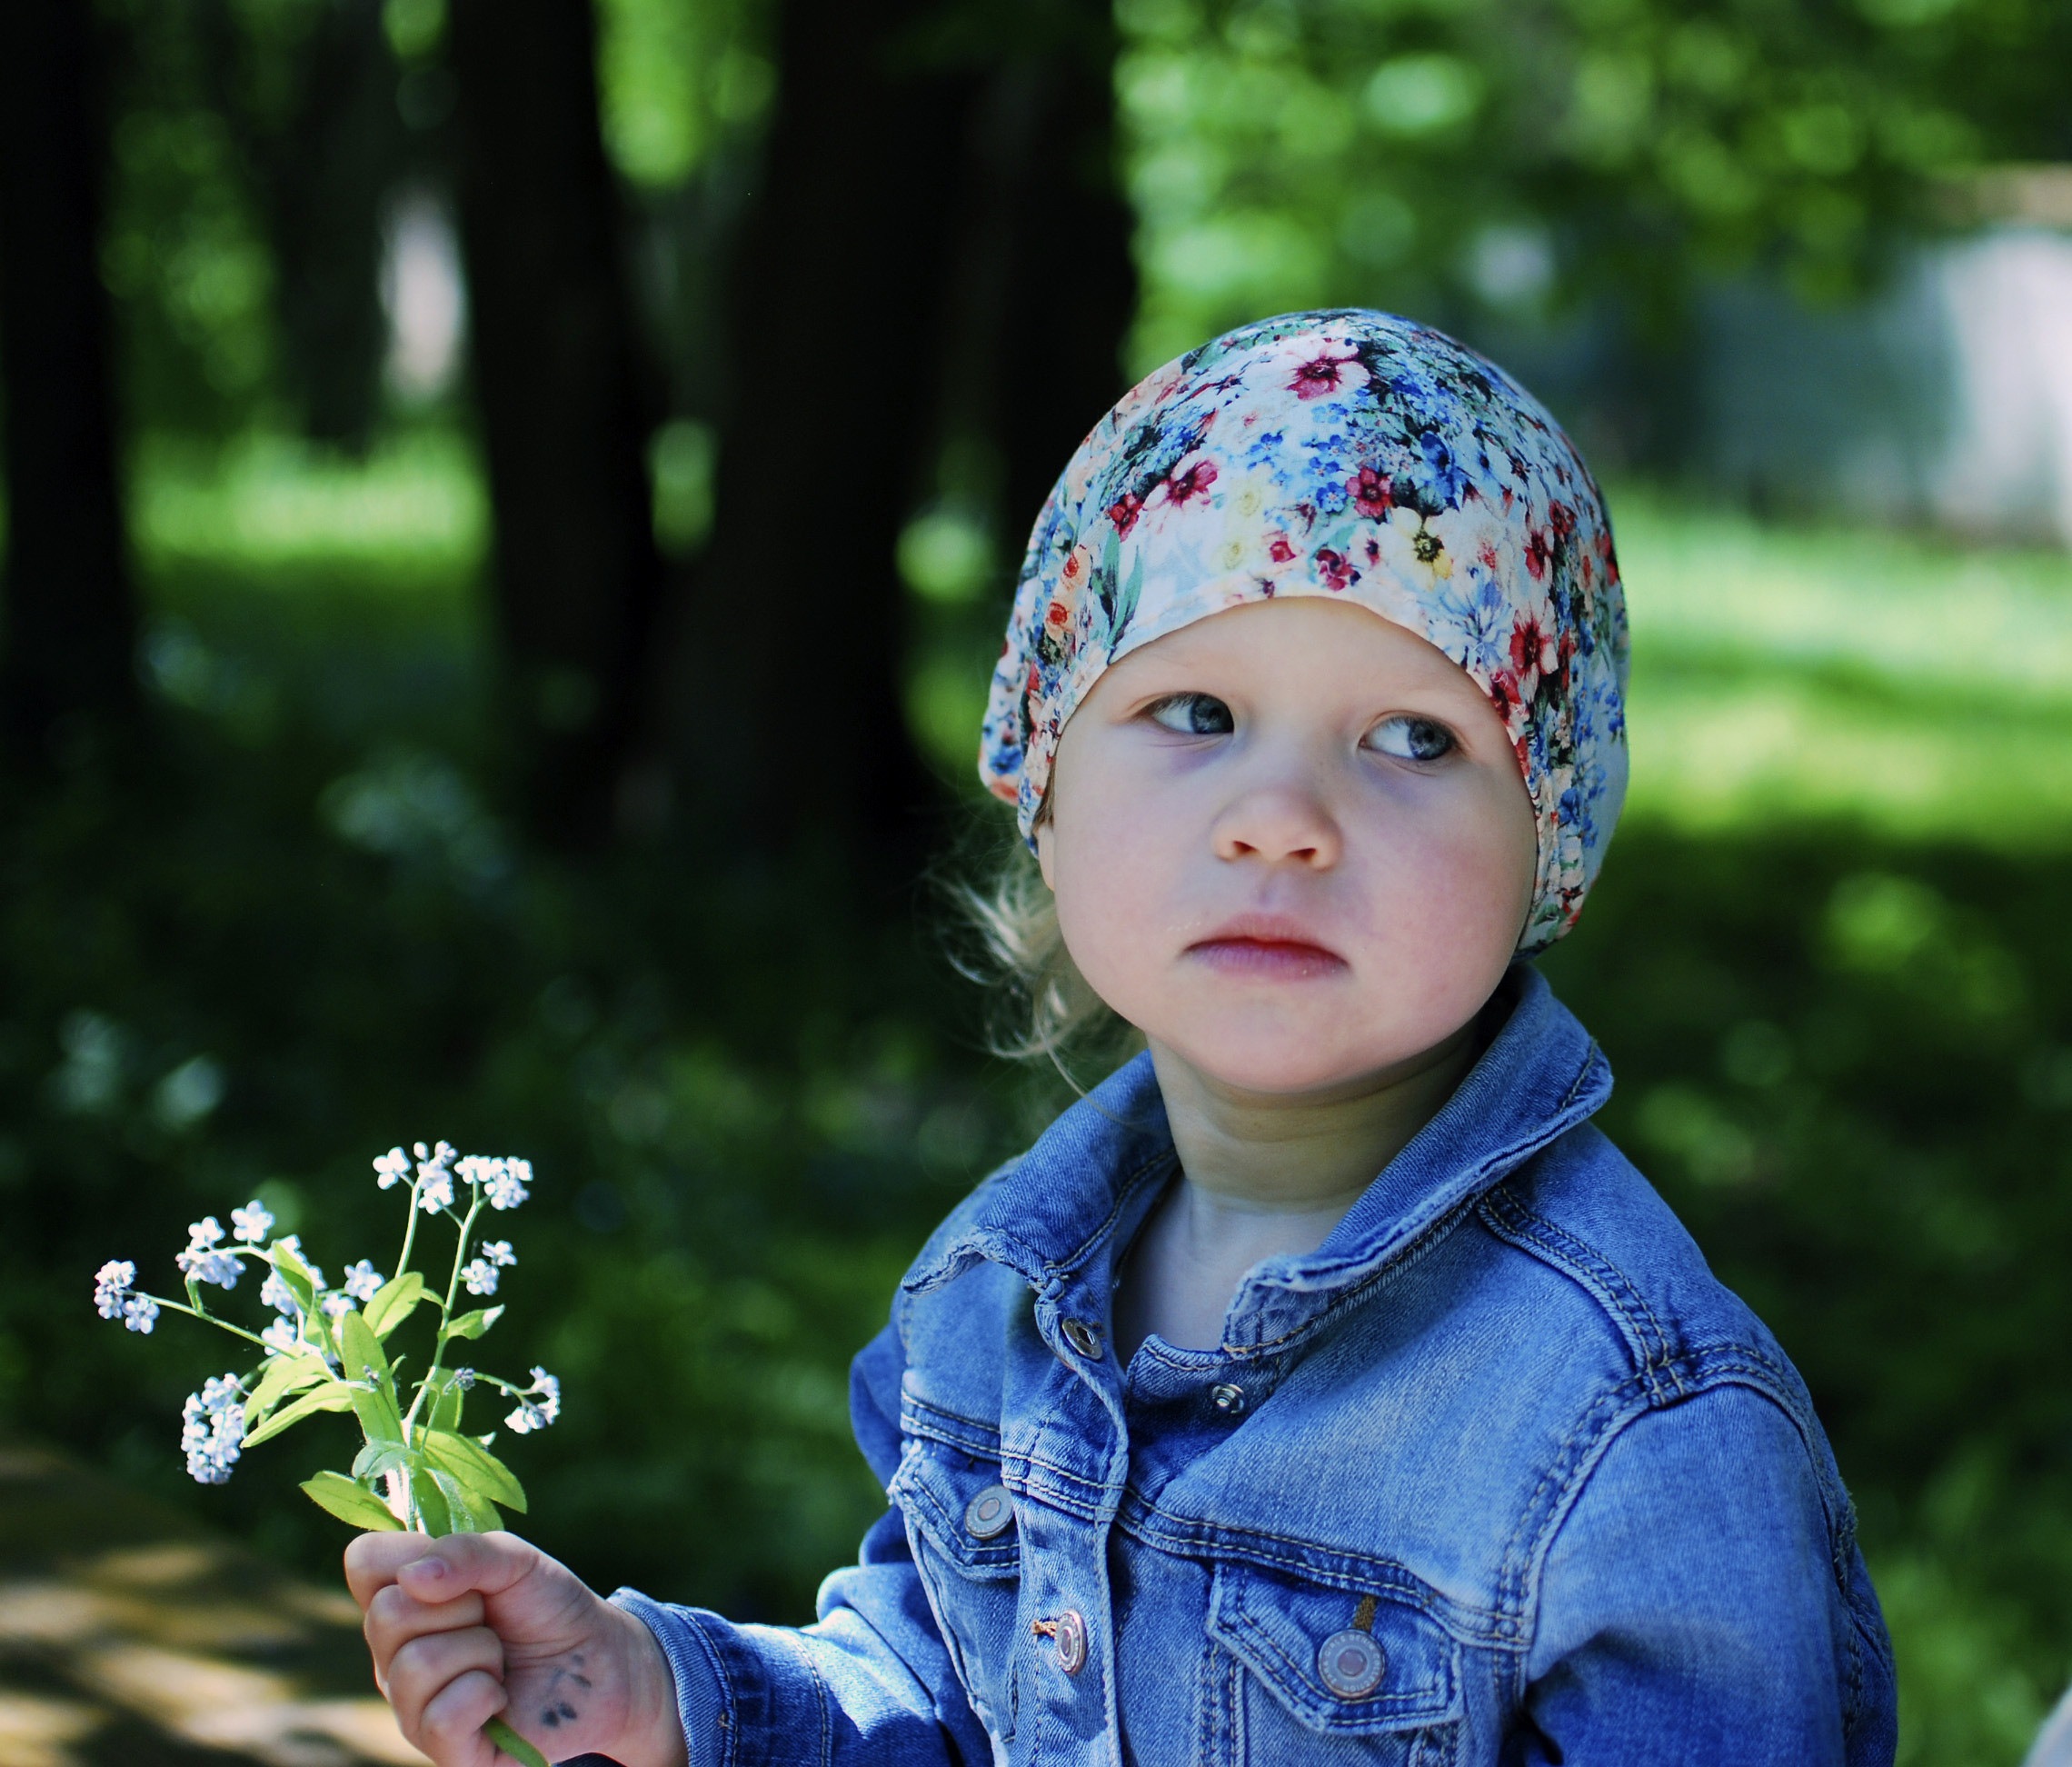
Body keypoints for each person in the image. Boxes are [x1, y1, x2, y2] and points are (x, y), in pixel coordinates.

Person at [345, 310, 1898, 1765]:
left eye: (1415, 737)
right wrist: (672, 1695)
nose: (1282, 821)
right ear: (1046, 771)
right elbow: (949, 1692)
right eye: (1199, 714)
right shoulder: (999, 1294)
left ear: (1551, 836)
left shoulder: (1638, 1434)